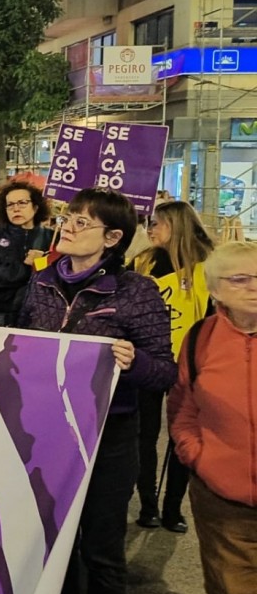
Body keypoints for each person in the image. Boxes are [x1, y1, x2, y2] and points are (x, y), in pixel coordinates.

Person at [16, 188, 176, 594]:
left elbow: (164, 372)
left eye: (82, 222)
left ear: (112, 238)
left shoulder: (136, 291)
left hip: (109, 437)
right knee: (54, 544)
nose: (68, 226)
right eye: (69, 217)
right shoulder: (42, 282)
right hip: (48, 434)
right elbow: (20, 344)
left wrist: (134, 362)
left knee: (101, 549)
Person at [167, 240, 257, 594]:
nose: (253, 287)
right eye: (240, 279)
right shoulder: (200, 338)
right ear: (215, 289)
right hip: (224, 502)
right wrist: (198, 456)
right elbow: (183, 406)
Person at [130, 200, 214, 533]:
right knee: (144, 436)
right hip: (148, 360)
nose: (150, 229)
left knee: (183, 435)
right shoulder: (143, 261)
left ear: (176, 225)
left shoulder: (207, 265)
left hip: (189, 364)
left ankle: (173, 508)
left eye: (157, 223)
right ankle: (148, 504)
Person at [0, 181, 52, 327]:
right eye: (10, 205)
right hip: (0, 315)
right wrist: (27, 267)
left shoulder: (51, 238)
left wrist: (44, 263)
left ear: (36, 207)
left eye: (22, 203)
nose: (16, 209)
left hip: (39, 315)